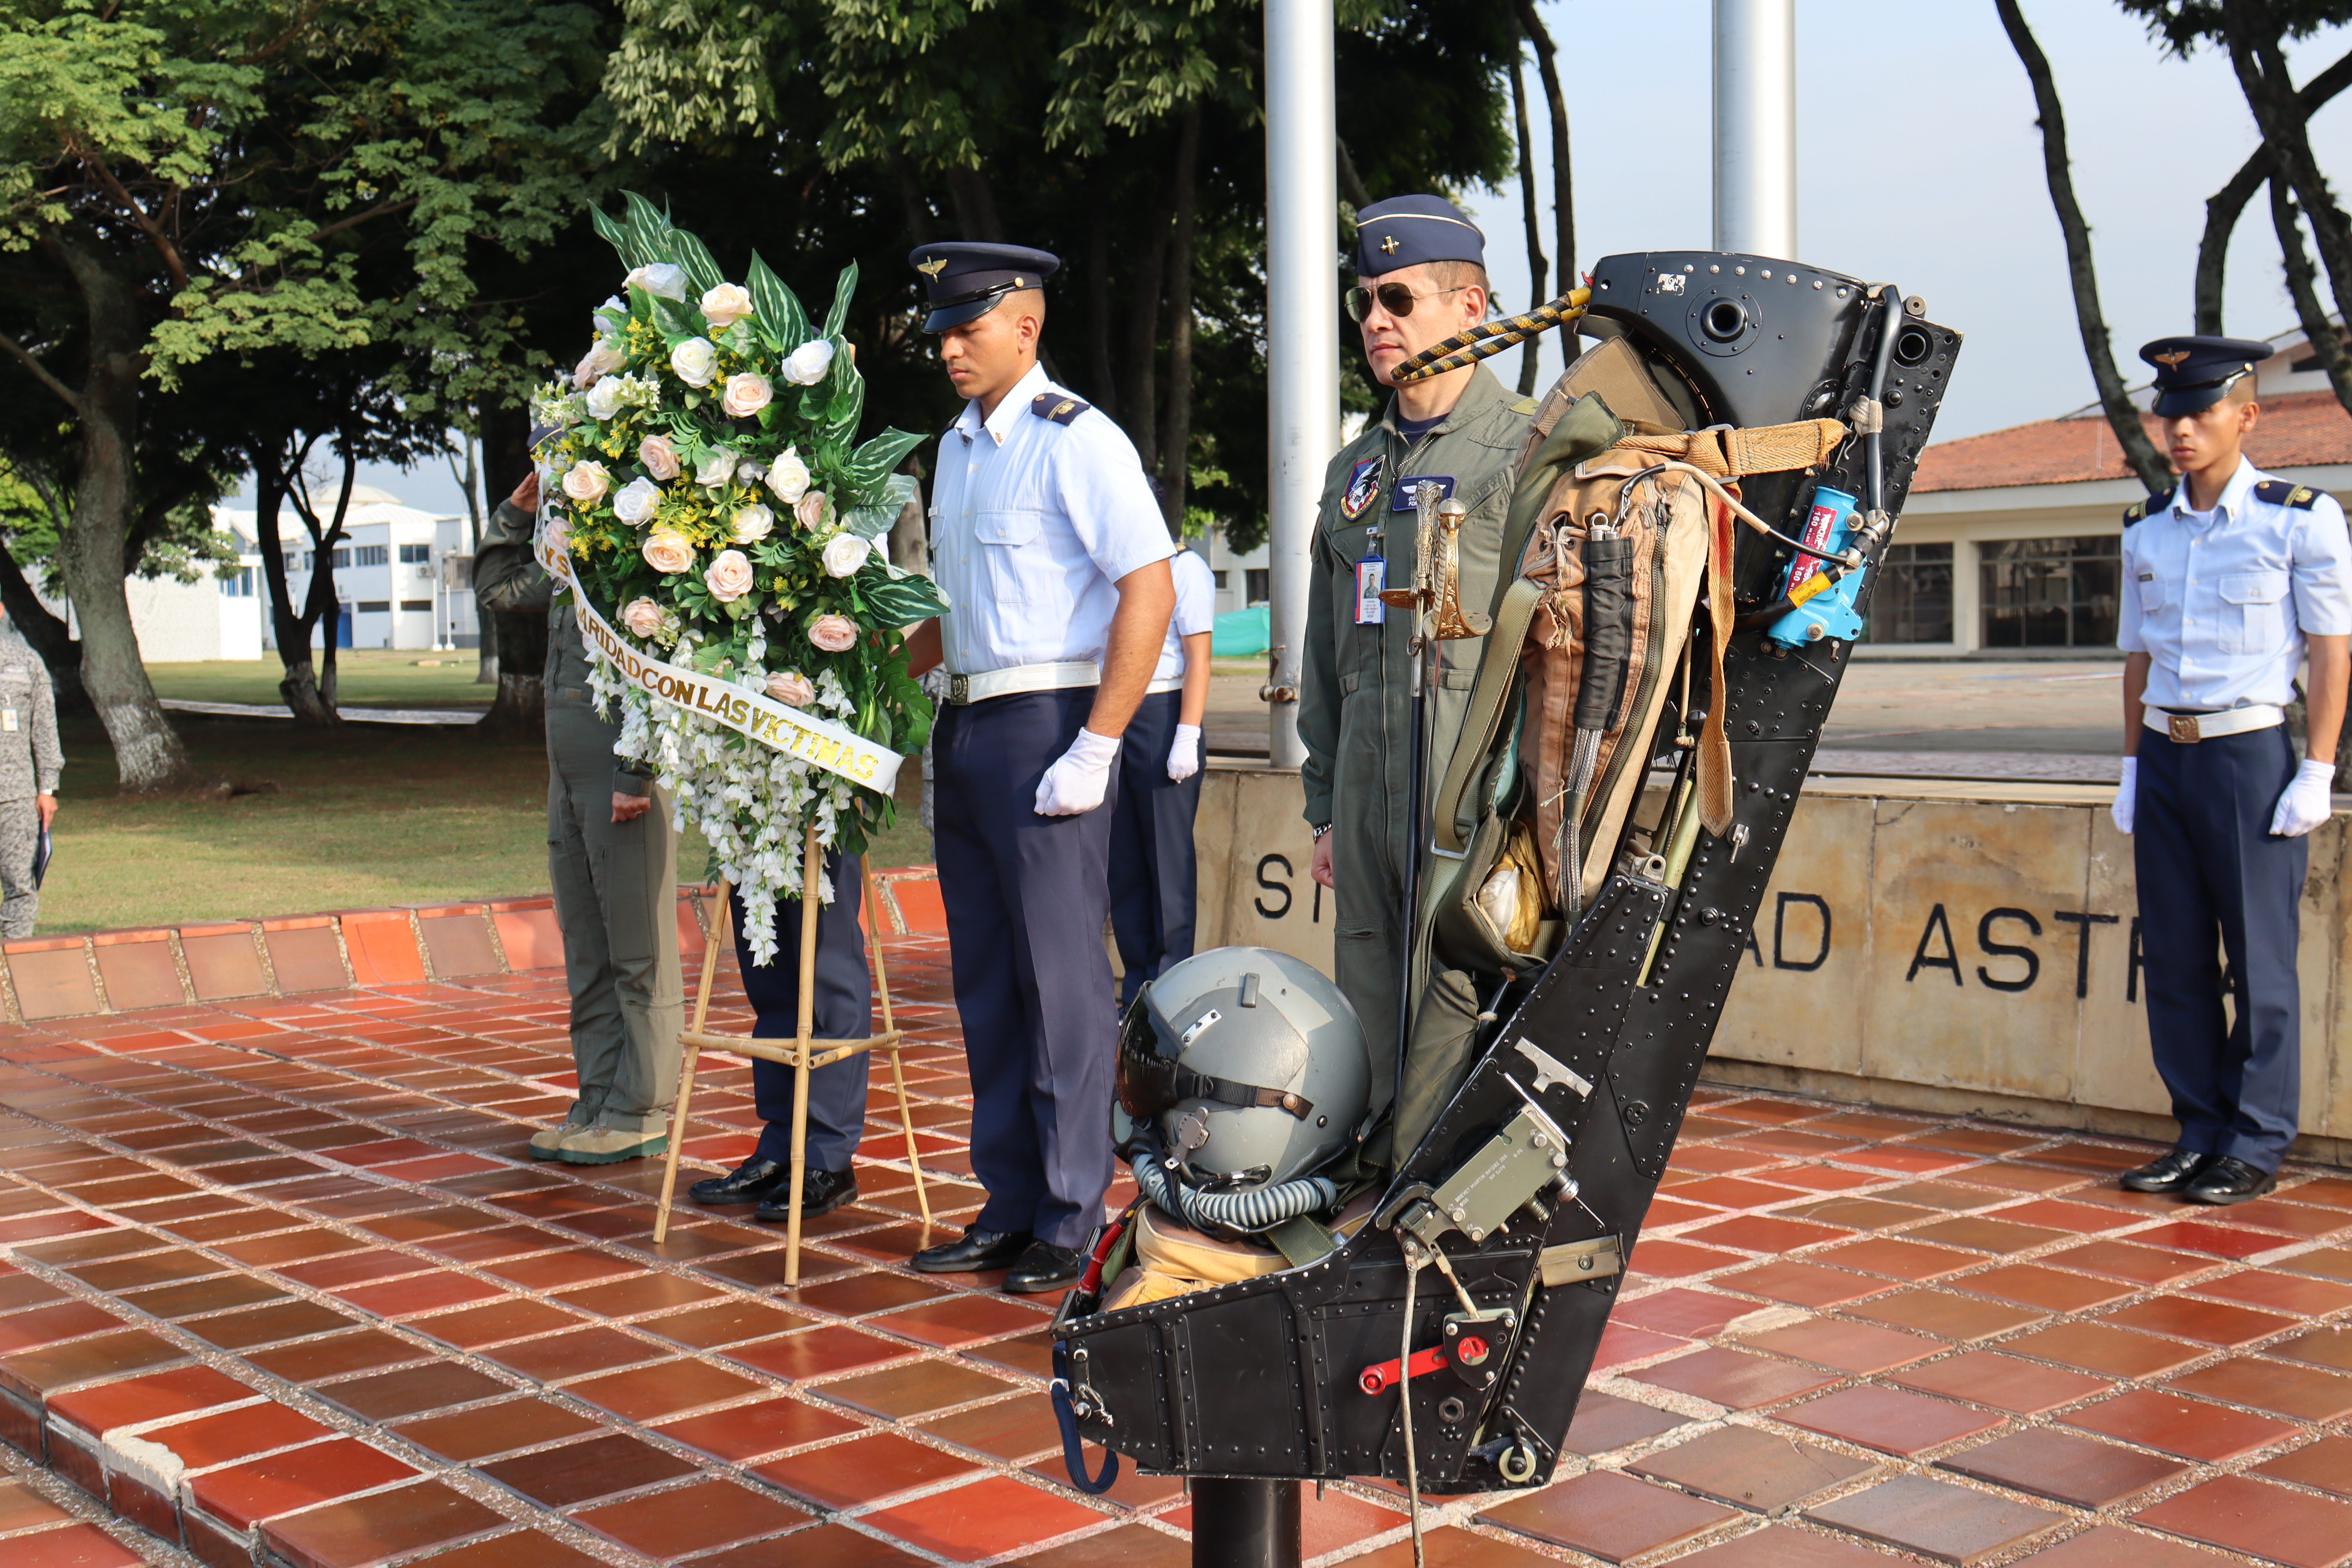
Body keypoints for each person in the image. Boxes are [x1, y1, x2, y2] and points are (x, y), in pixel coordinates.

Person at [898, 240, 1175, 1293]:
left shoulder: (1077, 442)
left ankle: (1070, 1214)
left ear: (1027, 324)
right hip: (966, 724)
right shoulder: (958, 448)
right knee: (987, 986)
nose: (949, 348)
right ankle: (1008, 1202)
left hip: (1048, 723)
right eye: (941, 332)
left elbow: (1145, 589)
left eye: (968, 327)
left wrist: (1099, 744)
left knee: (1062, 987)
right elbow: (944, 611)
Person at [1299, 194, 1537, 1111]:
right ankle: (1369, 1190)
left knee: (1460, 1003)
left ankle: (1433, 1203)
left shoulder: (1527, 450)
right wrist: (1324, 809)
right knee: (1368, 994)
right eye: (1365, 302)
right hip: (1365, 787)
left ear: (1469, 308)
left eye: (1398, 299)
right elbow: (1331, 655)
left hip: (1469, 788)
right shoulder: (1354, 471)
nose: (1375, 322)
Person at [2109, 335, 2351, 1205]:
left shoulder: (2298, 517)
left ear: (2246, 416)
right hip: (2167, 758)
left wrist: (2317, 766)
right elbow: (2137, 656)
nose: (2180, 428)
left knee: (2260, 959)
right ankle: (2199, 1128)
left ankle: (2255, 1139)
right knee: (2173, 957)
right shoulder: (2145, 529)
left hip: (2249, 756)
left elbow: (2331, 651)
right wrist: (2133, 766)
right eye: (2168, 412)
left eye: (2200, 411)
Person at [477, 472, 685, 1165]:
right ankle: (598, 1097)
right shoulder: (572, 557)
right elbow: (499, 593)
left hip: (618, 774)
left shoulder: (639, 551)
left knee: (637, 951)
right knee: (588, 950)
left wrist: (636, 772)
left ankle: (642, 1108)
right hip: (566, 771)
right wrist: (514, 513)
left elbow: (656, 663)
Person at [688, 867, 871, 1220]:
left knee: (828, 969)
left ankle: (828, 1156)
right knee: (770, 970)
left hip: (820, 815)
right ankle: (783, 1146)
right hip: (754, 814)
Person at [1110, 536, 1214, 1007]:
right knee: (1124, 863)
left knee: (1167, 866)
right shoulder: (1112, 570)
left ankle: (1172, 990)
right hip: (1115, 710)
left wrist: (1187, 732)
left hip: (1164, 713)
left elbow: (1199, 658)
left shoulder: (1186, 568)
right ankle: (1136, 990)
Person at [0, 606, 59, 938]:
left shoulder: (27, 662)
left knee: (20, 888)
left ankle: (13, 974)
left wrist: (48, 789)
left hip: (17, 798)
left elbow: (45, 730)